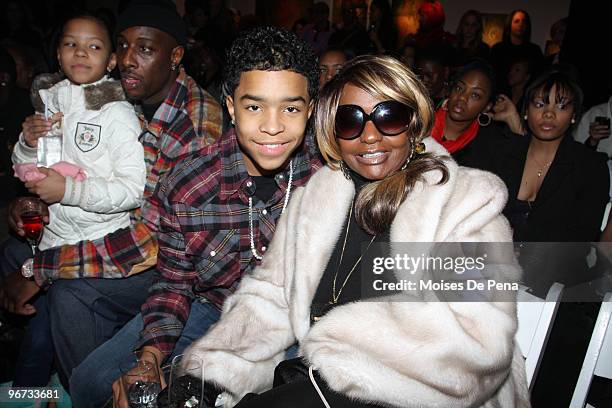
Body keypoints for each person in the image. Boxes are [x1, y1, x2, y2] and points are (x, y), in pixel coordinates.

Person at [182, 54, 529, 408]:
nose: (370, 136)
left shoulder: (466, 204)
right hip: (319, 383)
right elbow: (272, 297)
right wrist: (210, 372)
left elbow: (477, 343)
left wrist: (337, 357)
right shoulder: (316, 197)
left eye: (388, 116)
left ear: (413, 120)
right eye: (350, 121)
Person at [66, 26, 322, 408]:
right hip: (211, 309)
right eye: (254, 107)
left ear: (310, 109)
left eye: (290, 107)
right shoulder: (189, 184)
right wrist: (150, 358)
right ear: (232, 107)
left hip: (294, 326)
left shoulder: (327, 179)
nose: (273, 125)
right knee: (91, 382)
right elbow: (174, 285)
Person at [0, 0, 222, 389]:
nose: (128, 60)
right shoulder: (118, 96)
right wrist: (34, 195)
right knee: (13, 251)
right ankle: (36, 381)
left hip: (174, 270)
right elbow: (77, 161)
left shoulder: (194, 128)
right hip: (107, 228)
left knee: (70, 292)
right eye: (121, 46)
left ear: (175, 56)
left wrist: (43, 267)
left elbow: (154, 242)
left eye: (146, 49)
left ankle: (92, 390)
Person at [8, 14, 146, 389]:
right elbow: (28, 168)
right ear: (57, 52)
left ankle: (74, 389)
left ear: (111, 61)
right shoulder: (50, 102)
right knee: (34, 312)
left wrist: (69, 191)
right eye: (71, 44)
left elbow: (133, 189)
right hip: (54, 234)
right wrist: (27, 144)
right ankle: (33, 387)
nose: (81, 53)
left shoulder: (116, 112)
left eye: (94, 46)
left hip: (99, 243)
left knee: (58, 325)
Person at [490, 9, 543, 93]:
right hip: (500, 94)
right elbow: (491, 75)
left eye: (524, 21)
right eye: (516, 21)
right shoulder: (498, 49)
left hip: (526, 95)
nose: (521, 24)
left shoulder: (534, 50)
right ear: (509, 24)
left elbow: (539, 77)